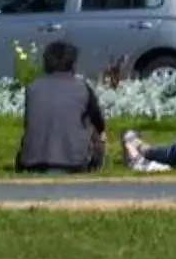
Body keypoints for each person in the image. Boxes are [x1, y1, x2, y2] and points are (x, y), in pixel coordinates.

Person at [15, 38, 107, 172]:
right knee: (93, 127)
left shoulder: (33, 87)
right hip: (74, 163)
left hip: (31, 162)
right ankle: (91, 162)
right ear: (73, 63)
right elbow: (99, 123)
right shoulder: (82, 88)